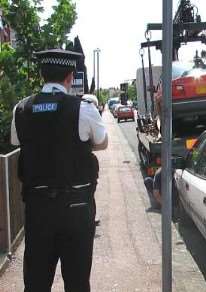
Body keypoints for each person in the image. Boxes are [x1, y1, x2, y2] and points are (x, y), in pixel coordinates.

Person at [10, 49, 108, 292]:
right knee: (76, 282)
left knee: (36, 282)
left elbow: (16, 141)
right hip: (76, 207)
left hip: (38, 208)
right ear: (70, 76)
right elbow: (102, 142)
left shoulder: (21, 109)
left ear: (42, 75)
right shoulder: (83, 108)